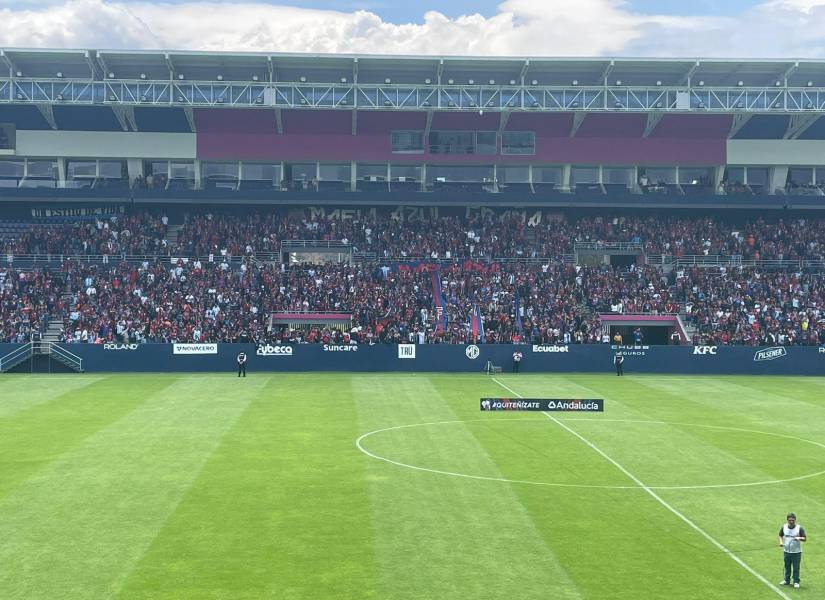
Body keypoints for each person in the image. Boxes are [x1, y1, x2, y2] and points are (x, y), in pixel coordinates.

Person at [779, 513, 806, 588]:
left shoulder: (799, 528)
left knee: (796, 567)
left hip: (796, 552)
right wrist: (781, 542)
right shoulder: (784, 527)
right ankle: (786, 580)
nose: (791, 522)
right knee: (787, 566)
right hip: (786, 551)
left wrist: (799, 538)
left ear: (795, 520)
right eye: (790, 520)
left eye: (793, 520)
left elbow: (804, 538)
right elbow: (780, 535)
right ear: (787, 520)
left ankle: (796, 581)